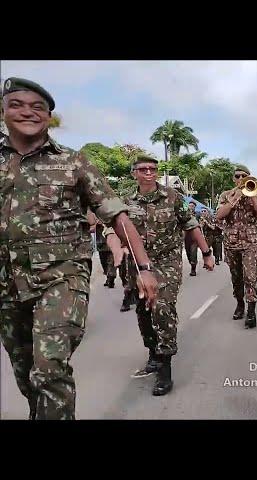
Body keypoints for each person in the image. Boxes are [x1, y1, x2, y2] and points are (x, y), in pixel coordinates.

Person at [0, 77, 158, 419]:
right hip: (7, 284)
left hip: (62, 279)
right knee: (26, 373)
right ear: (4, 111)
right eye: (17, 105)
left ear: (49, 117)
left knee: (49, 368)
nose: (27, 112)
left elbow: (116, 215)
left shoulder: (74, 162)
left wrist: (144, 269)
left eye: (37, 107)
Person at [106, 155, 214, 395]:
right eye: (143, 169)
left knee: (162, 307)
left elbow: (191, 224)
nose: (148, 172)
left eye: (153, 169)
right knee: (144, 311)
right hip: (137, 265)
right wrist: (116, 247)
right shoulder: (125, 200)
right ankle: (153, 351)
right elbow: (110, 227)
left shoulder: (173, 197)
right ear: (134, 173)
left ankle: (165, 368)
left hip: (167, 263)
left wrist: (206, 252)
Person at [216, 164, 257, 329]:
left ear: (248, 178)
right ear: (233, 178)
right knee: (236, 277)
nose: (240, 179)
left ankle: (251, 311)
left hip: (250, 243)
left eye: (243, 176)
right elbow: (219, 215)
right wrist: (233, 200)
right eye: (237, 176)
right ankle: (239, 303)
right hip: (231, 243)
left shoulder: (256, 193)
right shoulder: (226, 195)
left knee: (250, 276)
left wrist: (252, 197)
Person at [185, 200, 200, 276]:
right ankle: (192, 263)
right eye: (190, 205)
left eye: (192, 206)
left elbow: (200, 224)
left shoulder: (198, 215)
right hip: (186, 237)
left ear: (195, 207)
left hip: (194, 237)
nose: (191, 207)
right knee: (188, 253)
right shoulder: (184, 214)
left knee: (193, 253)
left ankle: (193, 269)